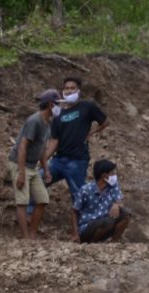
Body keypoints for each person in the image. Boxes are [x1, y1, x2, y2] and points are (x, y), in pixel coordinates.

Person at [39, 76, 109, 205]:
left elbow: (105, 122)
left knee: (79, 197)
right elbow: (54, 140)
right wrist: (44, 159)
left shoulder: (87, 106)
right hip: (57, 161)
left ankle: (84, 223)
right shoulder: (58, 113)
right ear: (63, 91)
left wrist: (92, 132)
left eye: (72, 88)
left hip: (77, 161)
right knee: (37, 182)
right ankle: (29, 214)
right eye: (66, 88)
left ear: (78, 90)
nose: (69, 91)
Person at [9, 89, 60, 238]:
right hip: (20, 164)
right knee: (22, 202)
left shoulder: (47, 123)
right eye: (58, 104)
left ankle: (32, 234)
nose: (59, 108)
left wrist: (46, 170)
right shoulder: (34, 121)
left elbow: (42, 149)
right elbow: (23, 146)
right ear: (51, 105)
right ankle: (26, 238)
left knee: (43, 199)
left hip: (32, 166)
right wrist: (21, 173)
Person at [71, 159, 130, 243]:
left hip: (106, 223)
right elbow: (74, 211)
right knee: (107, 222)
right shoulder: (85, 190)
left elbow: (120, 201)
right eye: (112, 173)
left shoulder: (113, 186)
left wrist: (116, 204)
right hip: (88, 226)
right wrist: (75, 233)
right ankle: (93, 244)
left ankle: (114, 242)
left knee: (125, 213)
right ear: (105, 176)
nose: (115, 176)